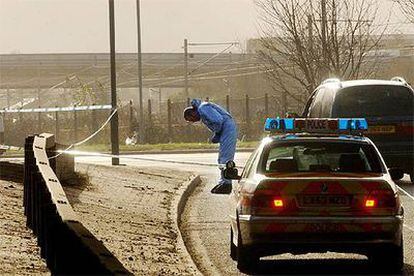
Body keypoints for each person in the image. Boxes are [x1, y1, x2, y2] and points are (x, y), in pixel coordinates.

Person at [184, 99, 237, 194]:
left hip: (227, 129)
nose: (193, 121)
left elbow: (218, 121)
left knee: (225, 158)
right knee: (222, 158)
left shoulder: (203, 108)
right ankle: (224, 181)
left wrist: (217, 132)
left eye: (191, 119)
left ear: (192, 113)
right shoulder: (202, 110)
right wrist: (217, 134)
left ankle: (226, 184)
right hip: (226, 130)